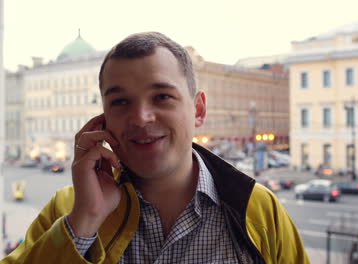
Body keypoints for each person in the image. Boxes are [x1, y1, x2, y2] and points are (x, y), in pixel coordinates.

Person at [1, 32, 309, 263]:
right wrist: (84, 222)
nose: (140, 117)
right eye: (120, 101)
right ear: (102, 118)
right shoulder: (69, 210)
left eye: (162, 96)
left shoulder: (258, 211)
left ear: (198, 110)